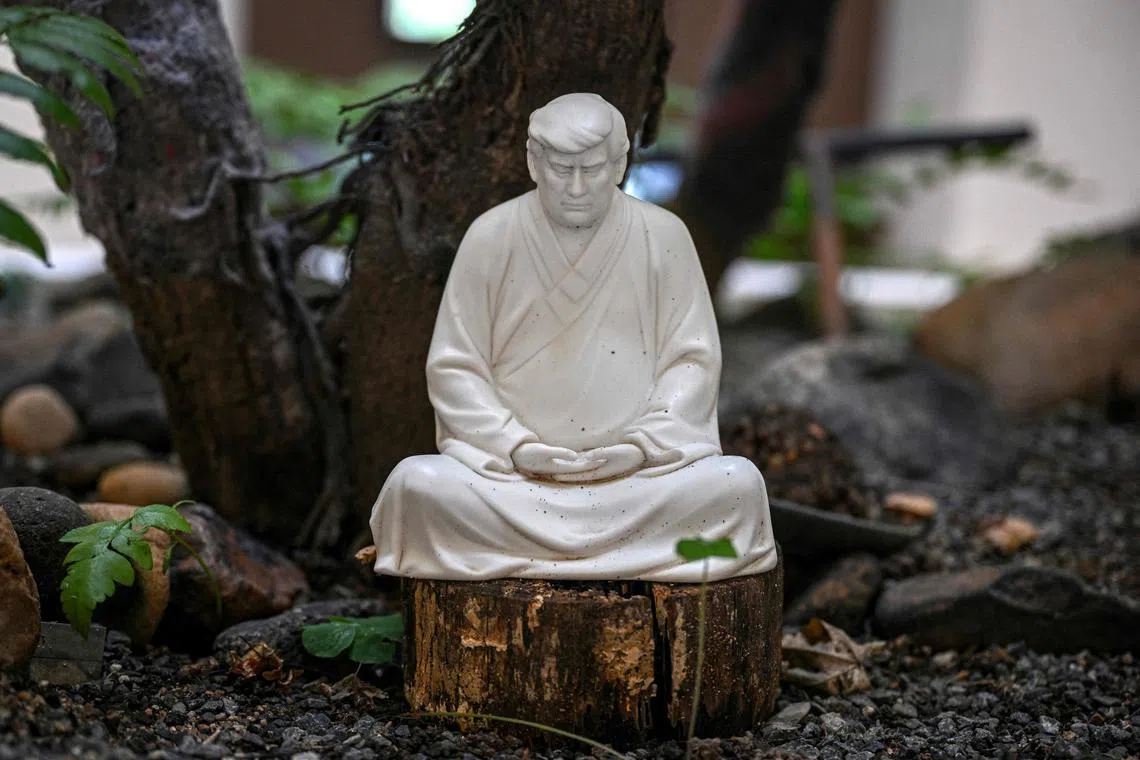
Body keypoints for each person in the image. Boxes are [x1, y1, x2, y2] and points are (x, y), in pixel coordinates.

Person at [369, 92, 776, 582]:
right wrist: (514, 446)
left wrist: (642, 445)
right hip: (516, 484)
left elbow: (690, 362)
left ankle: (557, 554)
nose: (577, 187)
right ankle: (628, 559)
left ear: (621, 163)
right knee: (416, 486)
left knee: (737, 486)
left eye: (593, 168)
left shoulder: (663, 236)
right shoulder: (491, 236)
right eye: (562, 169)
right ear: (533, 162)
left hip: (635, 481)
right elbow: (457, 366)